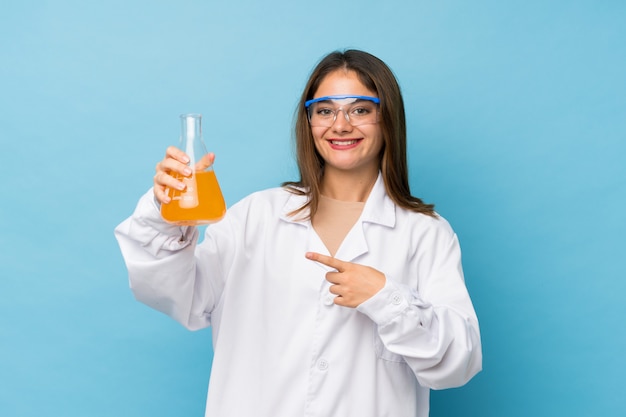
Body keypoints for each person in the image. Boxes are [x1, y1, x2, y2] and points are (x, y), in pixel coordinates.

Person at [115, 49, 482, 417]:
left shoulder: (424, 233)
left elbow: (457, 363)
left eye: (360, 109)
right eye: (324, 110)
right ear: (308, 121)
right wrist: (163, 216)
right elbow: (172, 295)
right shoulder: (255, 218)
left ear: (387, 119)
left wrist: (388, 299)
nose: (340, 125)